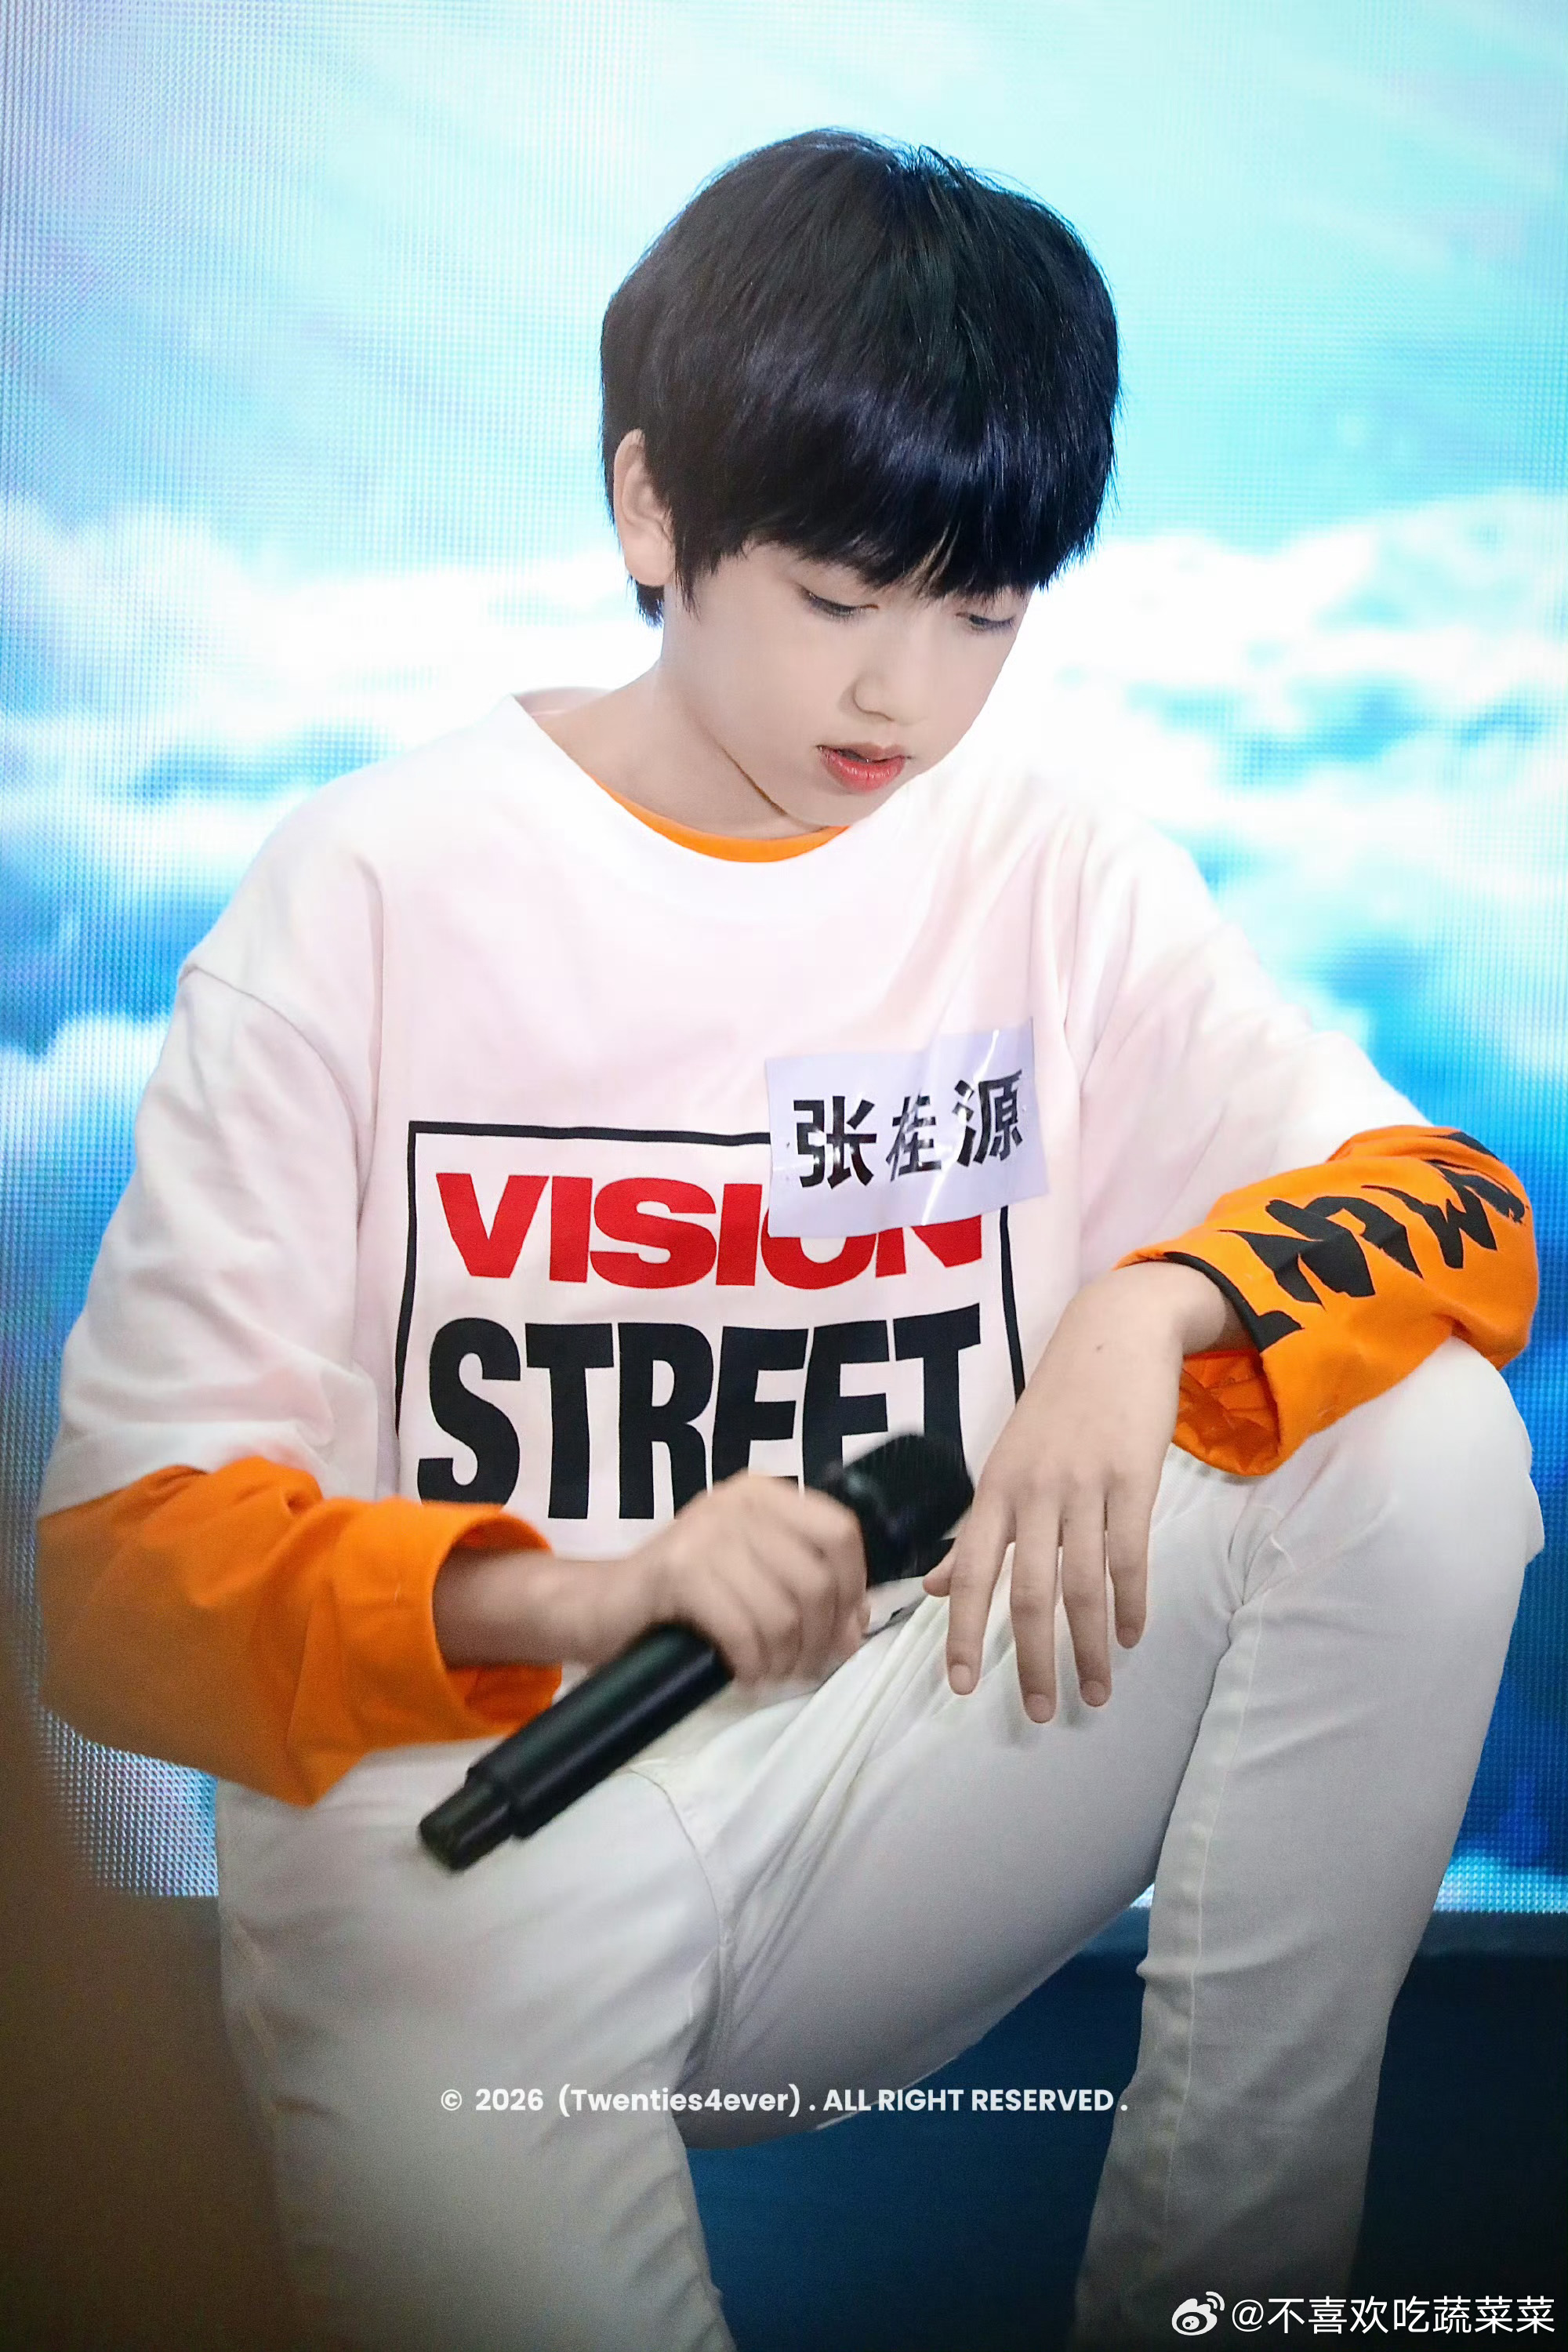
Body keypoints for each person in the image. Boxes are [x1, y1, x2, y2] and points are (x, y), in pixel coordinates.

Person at [34, 129, 1543, 2350]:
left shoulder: (1053, 874)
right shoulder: (367, 893)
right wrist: (584, 1591)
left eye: (983, 616)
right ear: (652, 511)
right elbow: (112, 1596)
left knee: (1420, 1451)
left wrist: (1156, 1303)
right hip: (467, 1844)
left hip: (909, 1765)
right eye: (842, 602)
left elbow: (1462, 1214)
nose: (905, 697)